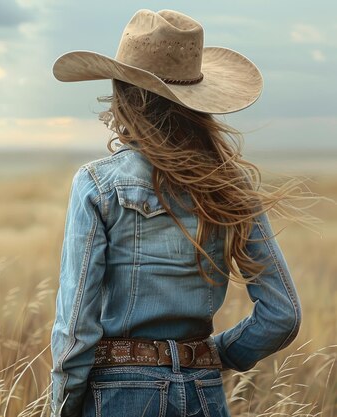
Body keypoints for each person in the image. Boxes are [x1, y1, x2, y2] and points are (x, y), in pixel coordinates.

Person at [49, 9, 307, 417]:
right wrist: (209, 356)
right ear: (197, 103)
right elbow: (282, 316)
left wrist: (61, 406)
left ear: (124, 94)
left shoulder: (98, 184)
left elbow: (75, 328)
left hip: (119, 395)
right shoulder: (229, 184)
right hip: (203, 390)